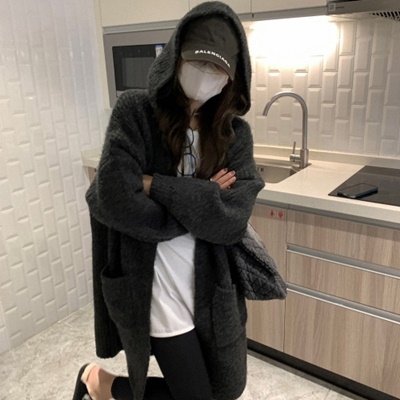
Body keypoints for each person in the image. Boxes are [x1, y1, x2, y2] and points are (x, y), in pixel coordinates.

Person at [72, 1, 264, 399]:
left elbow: (231, 222)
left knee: (225, 390)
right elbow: (113, 198)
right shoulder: (135, 112)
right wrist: (205, 199)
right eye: (198, 62)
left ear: (232, 77)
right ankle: (101, 384)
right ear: (176, 56)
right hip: (155, 284)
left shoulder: (236, 136)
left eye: (217, 68)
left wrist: (151, 184)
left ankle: (99, 384)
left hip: (211, 286)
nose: (205, 74)